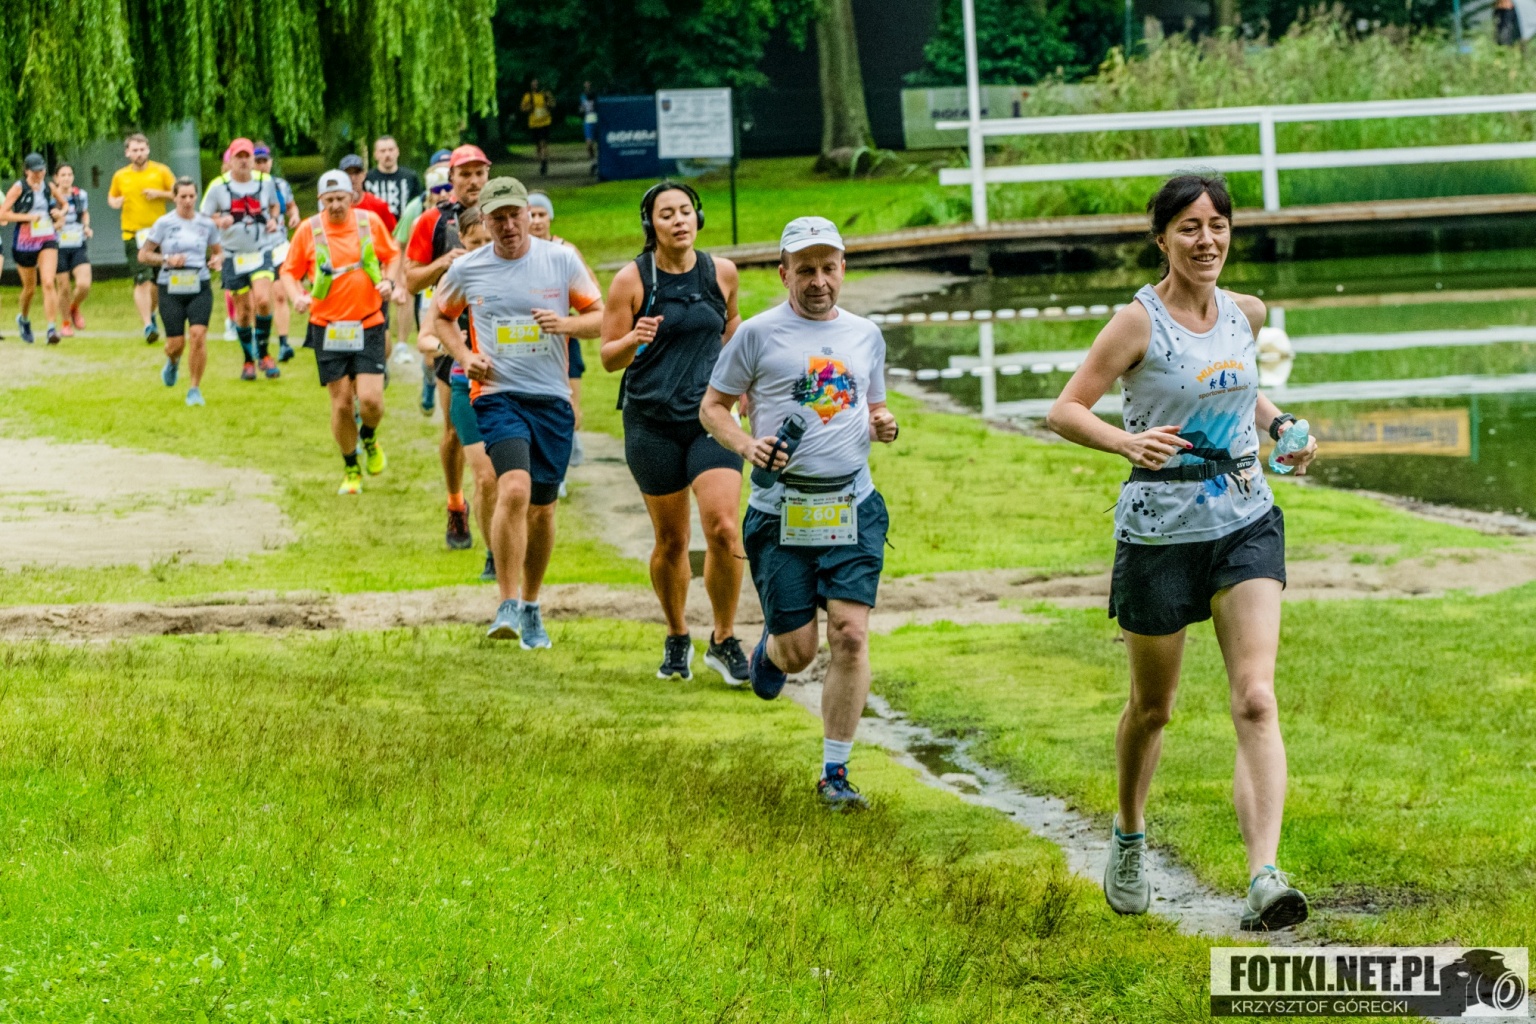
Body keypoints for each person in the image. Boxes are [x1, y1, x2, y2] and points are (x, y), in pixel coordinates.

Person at [1044, 173, 1319, 932]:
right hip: (1159, 534)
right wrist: (1125, 442)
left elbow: (1234, 391)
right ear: (1161, 238)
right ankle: (1129, 833)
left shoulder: (1246, 313)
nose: (1207, 240)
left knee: (1255, 697)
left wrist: (1281, 426)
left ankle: (1264, 876)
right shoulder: (1136, 323)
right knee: (1153, 708)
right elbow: (1065, 409)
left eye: (1218, 225)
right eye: (1190, 227)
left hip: (1245, 521)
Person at [700, 216, 899, 809]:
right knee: (799, 653)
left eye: (828, 268)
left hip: (853, 505)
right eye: (805, 269)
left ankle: (834, 773)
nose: (818, 281)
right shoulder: (756, 335)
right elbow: (713, 408)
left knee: (850, 635)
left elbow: (872, 406)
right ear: (784, 273)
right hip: (780, 511)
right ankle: (771, 649)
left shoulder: (866, 335)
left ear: (843, 270)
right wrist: (746, 446)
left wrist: (882, 422)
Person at [425, 177, 604, 648]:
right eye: (497, 218)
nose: (508, 226)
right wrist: (464, 356)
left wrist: (565, 324)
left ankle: (531, 605)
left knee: (543, 510)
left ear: (529, 214)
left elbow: (602, 317)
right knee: (514, 488)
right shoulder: (469, 268)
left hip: (550, 398)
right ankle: (506, 602)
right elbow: (440, 317)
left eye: (514, 215)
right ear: (483, 222)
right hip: (497, 395)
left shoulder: (560, 260)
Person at [600, 182, 749, 684]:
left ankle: (724, 638)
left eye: (686, 211)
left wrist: (741, 383)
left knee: (724, 527)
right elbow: (608, 358)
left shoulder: (721, 272)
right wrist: (634, 338)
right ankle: (677, 632)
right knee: (671, 541)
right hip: (652, 422)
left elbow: (731, 325)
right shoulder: (631, 281)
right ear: (651, 225)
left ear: (697, 218)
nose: (679, 220)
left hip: (710, 419)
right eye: (667, 214)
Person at [280, 170, 405, 495]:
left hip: (368, 321)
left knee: (371, 400)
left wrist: (389, 281)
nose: (336, 205)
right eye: (329, 199)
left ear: (351, 197)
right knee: (341, 405)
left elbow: (392, 255)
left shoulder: (368, 223)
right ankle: (351, 468)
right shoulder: (309, 229)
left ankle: (370, 439)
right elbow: (288, 272)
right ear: (320, 200)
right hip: (328, 327)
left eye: (341, 198)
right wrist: (296, 297)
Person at [406, 145, 492, 548]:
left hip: (496, 334)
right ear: (451, 177)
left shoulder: (506, 214)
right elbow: (410, 281)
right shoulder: (432, 221)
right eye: (465, 174)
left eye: (479, 173)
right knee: (455, 430)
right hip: (450, 331)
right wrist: (443, 264)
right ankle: (456, 503)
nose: (473, 181)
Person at [417, 204, 499, 573]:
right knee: (486, 477)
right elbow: (425, 336)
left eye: (488, 241)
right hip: (468, 384)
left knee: (516, 482)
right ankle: (495, 555)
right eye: (475, 241)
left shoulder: (518, 273)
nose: (482, 248)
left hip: (514, 387)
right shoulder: (453, 281)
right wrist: (452, 347)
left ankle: (508, 543)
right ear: (461, 240)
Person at [526, 191, 594, 491]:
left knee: (569, 407)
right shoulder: (514, 253)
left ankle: (560, 470)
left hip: (564, 339)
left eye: (542, 214)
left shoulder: (566, 251)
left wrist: (567, 320)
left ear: (550, 218)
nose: (536, 220)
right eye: (531, 214)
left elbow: (592, 294)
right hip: (526, 341)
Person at [203, 138, 283, 380]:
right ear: (230, 160)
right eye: (239, 156)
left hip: (261, 250)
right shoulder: (218, 186)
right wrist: (220, 221)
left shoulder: (265, 181)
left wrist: (273, 220)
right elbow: (204, 216)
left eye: (247, 156)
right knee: (244, 311)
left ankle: (265, 355)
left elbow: (275, 206)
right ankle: (248, 360)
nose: (244, 161)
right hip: (232, 255)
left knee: (263, 301)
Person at [140, 177, 223, 407]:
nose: (187, 201)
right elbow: (143, 254)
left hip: (199, 285)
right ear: (174, 197)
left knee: (198, 335)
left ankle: (194, 389)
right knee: (175, 344)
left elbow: (219, 251)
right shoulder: (164, 223)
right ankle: (173, 362)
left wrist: (217, 260)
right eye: (183, 196)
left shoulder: (206, 224)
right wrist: (167, 259)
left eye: (191, 196)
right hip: (171, 287)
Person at [397, 156, 453, 415]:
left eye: (447, 188)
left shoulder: (466, 215)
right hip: (430, 291)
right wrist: (401, 282)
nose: (442, 194)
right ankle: (429, 380)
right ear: (429, 192)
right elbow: (405, 252)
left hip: (458, 291)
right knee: (431, 352)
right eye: (437, 190)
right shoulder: (418, 216)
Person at [109, 133, 176, 344]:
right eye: (134, 150)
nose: (139, 154)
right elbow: (112, 196)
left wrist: (159, 194)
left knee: (157, 282)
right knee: (142, 279)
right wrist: (115, 202)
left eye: (142, 149)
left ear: (148, 150)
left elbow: (179, 194)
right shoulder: (121, 176)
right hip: (133, 235)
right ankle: (148, 325)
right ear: (127, 153)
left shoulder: (161, 171)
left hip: (159, 235)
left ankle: (152, 314)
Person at [365, 136, 424, 367]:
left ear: (397, 151)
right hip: (373, 243)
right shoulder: (368, 179)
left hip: (403, 242)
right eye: (382, 151)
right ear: (375, 154)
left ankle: (401, 344)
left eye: (391, 149)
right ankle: (380, 340)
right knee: (377, 290)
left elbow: (418, 209)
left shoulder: (410, 177)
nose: (387, 154)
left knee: (403, 290)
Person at [1, 153, 65, 344]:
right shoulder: (19, 187)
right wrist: (28, 217)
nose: (39, 174)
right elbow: (3, 214)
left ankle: (51, 329)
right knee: (29, 288)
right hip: (25, 241)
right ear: (27, 171)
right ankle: (23, 319)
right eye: (35, 171)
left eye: (42, 170)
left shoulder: (49, 186)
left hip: (47, 237)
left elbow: (64, 205)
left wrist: (60, 213)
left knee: (48, 282)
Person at [254, 142, 301, 362]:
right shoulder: (246, 188)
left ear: (271, 162)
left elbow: (291, 206)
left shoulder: (280, 184)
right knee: (260, 300)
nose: (262, 165)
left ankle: (284, 343)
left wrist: (294, 215)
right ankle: (260, 342)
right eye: (257, 161)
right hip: (255, 249)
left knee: (281, 295)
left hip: (280, 245)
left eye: (265, 161)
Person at [52, 163, 93, 337]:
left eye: (69, 174)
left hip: (77, 243)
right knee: (63, 287)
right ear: (56, 178)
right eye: (63, 175)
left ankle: (74, 307)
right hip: (57, 246)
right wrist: (56, 224)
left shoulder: (80, 195)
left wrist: (86, 226)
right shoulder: (51, 197)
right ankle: (66, 323)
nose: (66, 178)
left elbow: (84, 213)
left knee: (84, 284)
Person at [340, 154, 397, 233]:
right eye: (348, 174)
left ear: (363, 175)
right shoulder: (336, 207)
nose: (352, 178)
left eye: (356, 173)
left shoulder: (379, 205)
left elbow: (393, 234)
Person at [521, 78, 556, 176]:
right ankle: (542, 159)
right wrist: (529, 107)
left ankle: (544, 162)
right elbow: (523, 108)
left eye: (537, 84)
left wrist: (549, 103)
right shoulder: (528, 96)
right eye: (534, 84)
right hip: (534, 124)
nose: (535, 86)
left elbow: (553, 104)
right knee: (538, 146)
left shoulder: (545, 94)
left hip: (545, 122)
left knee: (543, 143)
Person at [579, 82, 599, 172]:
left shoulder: (596, 98)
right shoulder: (583, 98)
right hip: (588, 121)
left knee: (599, 144)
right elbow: (581, 109)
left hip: (596, 120)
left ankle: (599, 162)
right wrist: (582, 109)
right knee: (589, 143)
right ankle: (593, 162)